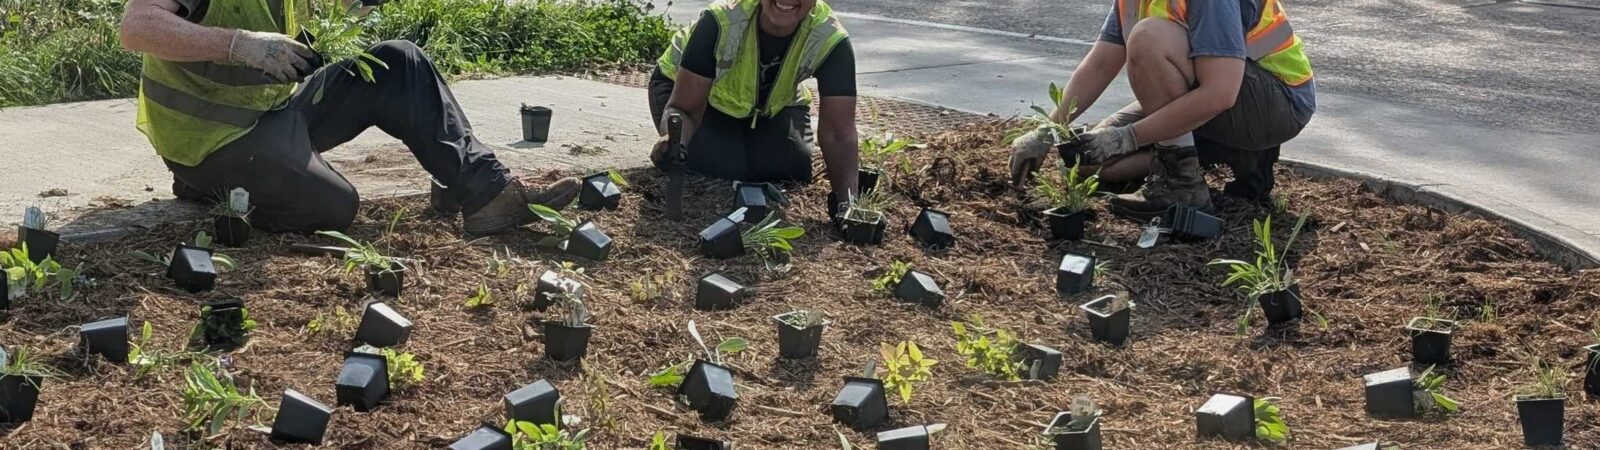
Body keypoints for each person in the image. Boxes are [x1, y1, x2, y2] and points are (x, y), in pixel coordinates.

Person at [119, 0, 579, 236]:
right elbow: (137, 27)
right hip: (208, 144)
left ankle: (481, 191)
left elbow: (345, 9)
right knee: (334, 206)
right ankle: (206, 186)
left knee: (399, 61)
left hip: (271, 116)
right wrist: (241, 44)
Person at [1009, 0, 1316, 221]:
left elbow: (1221, 92)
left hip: (1274, 104)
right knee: (1095, 165)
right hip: (1213, 95)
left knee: (1148, 38)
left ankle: (1183, 185)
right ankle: (1216, 150)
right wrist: (1047, 131)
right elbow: (1101, 63)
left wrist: (1127, 137)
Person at [648, 0, 860, 205]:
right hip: (685, 93)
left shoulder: (831, 37)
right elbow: (684, 109)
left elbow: (838, 133)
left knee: (791, 168)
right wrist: (674, 143)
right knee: (723, 165)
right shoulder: (720, 20)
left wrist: (848, 206)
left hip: (765, 108)